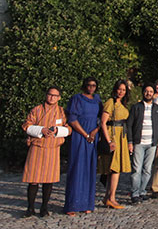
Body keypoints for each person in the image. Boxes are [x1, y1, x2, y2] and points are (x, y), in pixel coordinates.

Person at [22, 86, 71, 217]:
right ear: (46, 95)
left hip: (53, 148)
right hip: (37, 146)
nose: (52, 98)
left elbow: (68, 128)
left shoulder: (62, 112)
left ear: (59, 98)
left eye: (55, 96)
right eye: (50, 95)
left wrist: (57, 131)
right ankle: (30, 207)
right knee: (33, 179)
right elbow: (26, 125)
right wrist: (41, 130)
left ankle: (44, 208)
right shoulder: (37, 110)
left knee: (49, 179)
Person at [64, 77, 102, 215]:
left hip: (93, 137)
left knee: (90, 169)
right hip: (79, 136)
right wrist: (85, 134)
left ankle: (87, 204)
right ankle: (72, 205)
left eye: (93, 85)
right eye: (88, 85)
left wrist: (94, 132)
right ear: (84, 86)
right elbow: (72, 119)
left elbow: (100, 119)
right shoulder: (77, 99)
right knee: (77, 169)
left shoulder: (97, 100)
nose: (91, 87)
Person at [127, 83, 158, 204]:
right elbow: (129, 125)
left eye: (150, 91)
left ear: (153, 94)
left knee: (147, 169)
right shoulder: (136, 107)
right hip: (139, 142)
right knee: (136, 169)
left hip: (152, 143)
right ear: (143, 93)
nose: (148, 93)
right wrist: (130, 141)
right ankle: (134, 193)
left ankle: (142, 191)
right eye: (146, 91)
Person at [99, 80, 131, 209]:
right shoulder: (110, 103)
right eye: (119, 89)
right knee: (114, 168)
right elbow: (103, 122)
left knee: (116, 169)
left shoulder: (122, 103)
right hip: (113, 136)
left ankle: (108, 197)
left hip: (121, 136)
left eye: (123, 90)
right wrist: (109, 141)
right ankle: (111, 197)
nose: (121, 92)